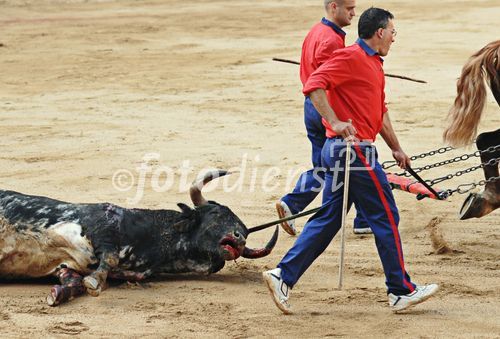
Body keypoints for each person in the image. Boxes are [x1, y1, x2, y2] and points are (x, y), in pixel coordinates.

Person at [264, 7, 438, 314]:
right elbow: (313, 85)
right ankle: (400, 290)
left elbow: (380, 111)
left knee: (328, 219)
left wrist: (396, 148)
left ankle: (282, 276)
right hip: (353, 151)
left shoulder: (373, 64)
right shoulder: (350, 57)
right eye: (393, 32)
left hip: (350, 150)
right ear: (380, 32)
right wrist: (335, 119)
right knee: (386, 215)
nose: (394, 39)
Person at [277, 0, 372, 236]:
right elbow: (329, 80)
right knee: (353, 159)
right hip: (326, 109)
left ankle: (362, 218)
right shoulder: (330, 40)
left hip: (312, 107)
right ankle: (296, 202)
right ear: (333, 7)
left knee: (332, 164)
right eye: (349, 8)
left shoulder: (317, 32)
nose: (353, 13)